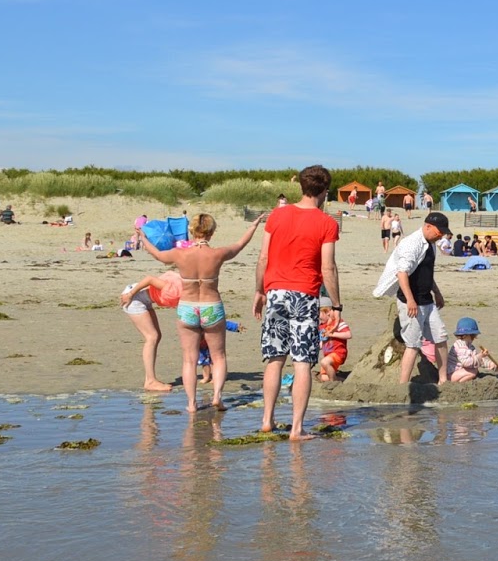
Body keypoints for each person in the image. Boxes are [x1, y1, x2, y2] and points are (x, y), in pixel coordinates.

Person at [139, 211, 263, 412]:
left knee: (189, 359)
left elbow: (157, 255)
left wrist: (143, 237)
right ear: (211, 232)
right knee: (219, 356)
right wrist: (253, 226)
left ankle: (191, 403)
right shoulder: (217, 254)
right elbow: (240, 244)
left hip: (187, 307)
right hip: (211, 306)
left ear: (192, 231)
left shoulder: (179, 254)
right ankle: (217, 397)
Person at [254, 165, 342, 439]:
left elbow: (263, 258)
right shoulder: (327, 223)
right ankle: (296, 428)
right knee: (302, 362)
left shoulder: (277, 215)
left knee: (274, 359)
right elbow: (328, 267)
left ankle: (267, 419)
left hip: (275, 292)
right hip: (304, 295)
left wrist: (259, 291)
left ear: (302, 187)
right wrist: (336, 305)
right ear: (324, 191)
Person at [374, 211, 453, 385]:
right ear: (428, 226)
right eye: (439, 232)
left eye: (442, 233)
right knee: (413, 344)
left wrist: (437, 292)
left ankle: (443, 380)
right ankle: (403, 384)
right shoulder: (411, 243)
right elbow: (402, 273)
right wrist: (410, 300)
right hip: (409, 301)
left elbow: (427, 273)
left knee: (441, 337)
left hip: (427, 300)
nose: (440, 236)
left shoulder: (431, 244)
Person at [118, 272, 182, 393]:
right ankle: (150, 381)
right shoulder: (175, 288)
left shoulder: (187, 290)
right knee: (152, 337)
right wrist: (130, 295)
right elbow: (149, 279)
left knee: (156, 336)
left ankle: (150, 379)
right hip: (133, 298)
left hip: (144, 299)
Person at [447, 316, 498, 382]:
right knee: (473, 371)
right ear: (466, 335)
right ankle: (460, 383)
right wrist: (480, 355)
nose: (474, 338)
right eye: (473, 335)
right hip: (452, 374)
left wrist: (493, 365)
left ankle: (464, 380)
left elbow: (479, 361)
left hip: (460, 372)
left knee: (474, 370)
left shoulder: (470, 347)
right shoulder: (460, 346)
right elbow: (466, 363)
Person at [316, 304, 352, 381]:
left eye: (319, 314)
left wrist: (332, 334)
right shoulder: (321, 326)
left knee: (324, 362)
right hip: (328, 355)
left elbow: (348, 335)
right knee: (323, 377)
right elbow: (323, 341)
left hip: (338, 352)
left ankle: (332, 383)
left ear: (328, 312)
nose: (318, 317)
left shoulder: (337, 323)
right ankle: (340, 379)